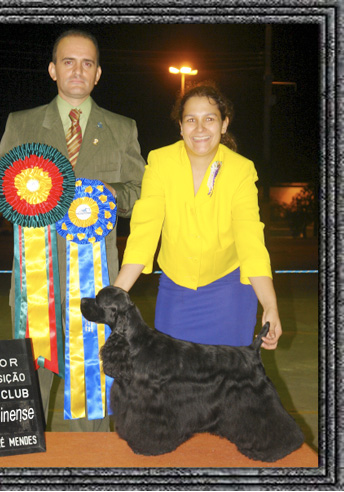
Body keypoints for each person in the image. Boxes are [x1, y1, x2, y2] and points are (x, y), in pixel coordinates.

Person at [0, 29, 146, 431]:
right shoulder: (21, 123)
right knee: (28, 393)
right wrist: (22, 190)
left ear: (98, 73)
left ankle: (91, 463)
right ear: (53, 70)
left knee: (92, 392)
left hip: (96, 282)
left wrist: (111, 195)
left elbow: (141, 191)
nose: (78, 70)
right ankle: (27, 460)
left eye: (87, 63)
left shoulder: (122, 127)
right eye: (69, 62)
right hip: (34, 284)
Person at [114, 82, 282, 350]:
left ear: (224, 124)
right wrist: (118, 292)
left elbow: (251, 242)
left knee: (229, 376)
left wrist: (270, 306)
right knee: (170, 375)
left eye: (210, 119)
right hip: (176, 291)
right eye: (191, 120)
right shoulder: (159, 162)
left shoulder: (241, 170)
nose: (200, 128)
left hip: (230, 292)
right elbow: (145, 232)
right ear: (181, 127)